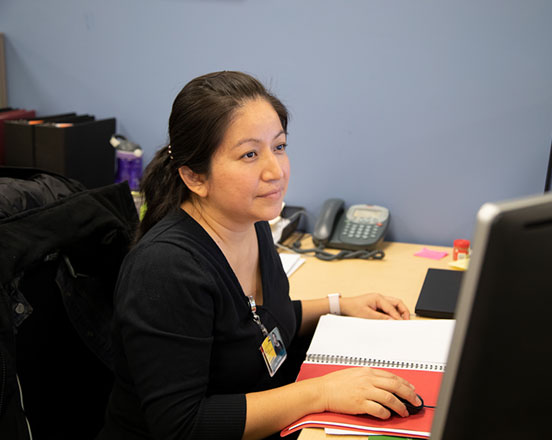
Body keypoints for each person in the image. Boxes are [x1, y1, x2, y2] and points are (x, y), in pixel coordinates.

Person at [97, 71, 420, 440]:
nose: (275, 170)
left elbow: (259, 324)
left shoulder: (253, 224)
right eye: (250, 154)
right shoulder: (166, 270)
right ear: (194, 178)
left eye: (279, 147)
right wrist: (323, 392)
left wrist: (338, 304)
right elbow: (182, 426)